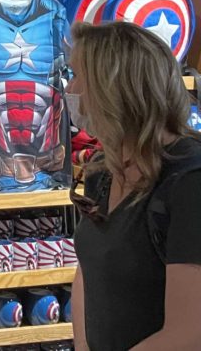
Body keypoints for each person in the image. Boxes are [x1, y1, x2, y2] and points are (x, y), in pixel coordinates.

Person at [68, 21, 201, 351]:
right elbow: (88, 271)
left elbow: (190, 332)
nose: (71, 89)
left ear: (112, 86)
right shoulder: (104, 169)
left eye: (78, 75)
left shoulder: (189, 179)